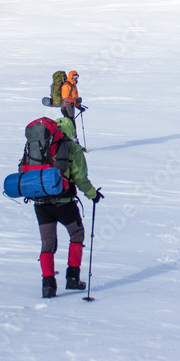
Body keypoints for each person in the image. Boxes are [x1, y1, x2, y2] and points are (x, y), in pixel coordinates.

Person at [35, 116, 103, 298]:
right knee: (76, 234)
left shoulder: (38, 145)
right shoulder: (71, 148)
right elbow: (80, 178)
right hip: (64, 202)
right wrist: (93, 195)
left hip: (40, 203)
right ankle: (72, 278)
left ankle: (47, 286)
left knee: (47, 244)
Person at [59, 70, 86, 140]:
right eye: (74, 76)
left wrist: (78, 106)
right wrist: (76, 101)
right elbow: (65, 98)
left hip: (71, 106)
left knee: (71, 124)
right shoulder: (67, 85)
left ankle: (72, 141)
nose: (76, 78)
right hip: (66, 107)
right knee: (71, 125)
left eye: (77, 77)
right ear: (70, 76)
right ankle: (74, 142)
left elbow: (74, 97)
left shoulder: (73, 85)